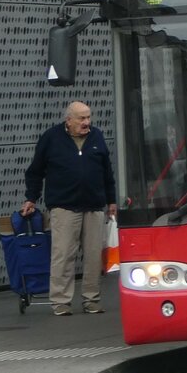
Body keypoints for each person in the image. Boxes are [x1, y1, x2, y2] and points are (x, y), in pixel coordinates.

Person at [21, 100, 117, 316]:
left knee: (93, 256)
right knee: (63, 255)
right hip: (64, 206)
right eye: (81, 118)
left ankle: (91, 299)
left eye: (88, 117)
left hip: (94, 205)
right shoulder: (51, 138)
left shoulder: (97, 137)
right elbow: (35, 171)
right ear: (69, 120)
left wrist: (111, 200)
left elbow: (106, 172)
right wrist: (31, 198)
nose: (87, 122)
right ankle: (61, 302)